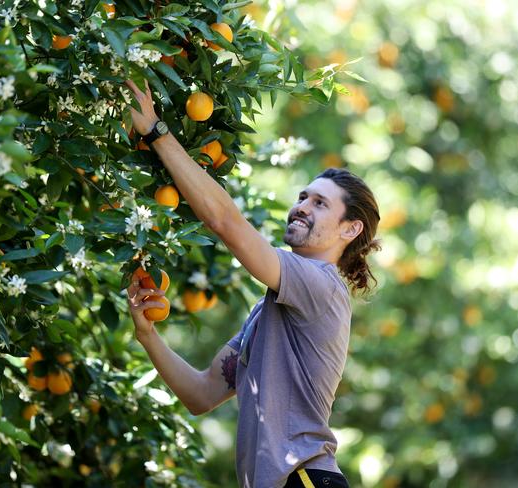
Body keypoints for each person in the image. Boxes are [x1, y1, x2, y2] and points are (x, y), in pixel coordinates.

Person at [124, 79, 381, 488]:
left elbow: (225, 222)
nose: (301, 206)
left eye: (320, 203)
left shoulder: (321, 285)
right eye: (303, 196)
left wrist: (156, 131)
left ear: (350, 229)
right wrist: (147, 335)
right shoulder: (269, 312)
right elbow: (202, 394)